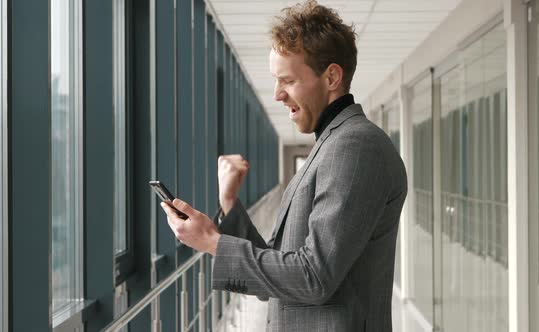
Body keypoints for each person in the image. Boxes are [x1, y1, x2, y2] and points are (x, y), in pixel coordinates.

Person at [161, 1, 407, 330]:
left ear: (331, 76)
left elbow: (312, 278)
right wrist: (229, 204)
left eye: (287, 81)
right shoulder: (331, 145)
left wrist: (212, 242)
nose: (277, 94)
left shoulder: (354, 147)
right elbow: (284, 273)